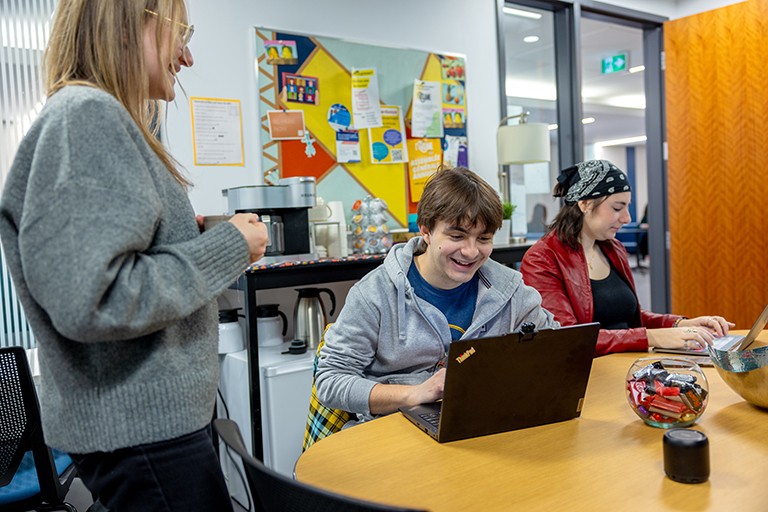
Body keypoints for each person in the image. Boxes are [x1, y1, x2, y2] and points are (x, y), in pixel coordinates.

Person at [0, 2, 268, 510]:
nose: (186, 57)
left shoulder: (93, 119)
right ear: (130, 22)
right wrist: (228, 246)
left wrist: (191, 235)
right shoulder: (87, 117)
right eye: (180, 33)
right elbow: (95, 299)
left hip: (148, 430)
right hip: (144, 434)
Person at [315, 167, 558, 424]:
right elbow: (331, 381)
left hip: (483, 425)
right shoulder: (374, 294)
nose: (471, 251)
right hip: (393, 432)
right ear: (426, 230)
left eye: (483, 238)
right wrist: (414, 394)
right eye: (457, 236)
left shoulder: (510, 290)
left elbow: (556, 351)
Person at [520, 159, 732, 356]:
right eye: (617, 207)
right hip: (589, 376)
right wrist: (652, 337)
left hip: (627, 364)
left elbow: (628, 316)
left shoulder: (613, 248)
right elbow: (569, 338)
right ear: (584, 204)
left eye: (627, 207)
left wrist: (680, 325)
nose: (627, 218)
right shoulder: (542, 259)